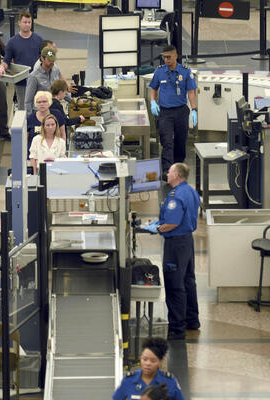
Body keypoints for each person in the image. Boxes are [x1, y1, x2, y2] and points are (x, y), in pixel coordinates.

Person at [143, 163, 200, 340]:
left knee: (175, 284)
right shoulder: (190, 191)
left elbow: (172, 223)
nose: (167, 174)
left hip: (176, 244)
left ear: (177, 174)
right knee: (189, 280)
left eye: (170, 171)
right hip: (187, 241)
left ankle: (177, 328)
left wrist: (156, 229)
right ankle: (192, 320)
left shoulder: (176, 196)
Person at [149, 45, 197, 179]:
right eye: (164, 57)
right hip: (165, 112)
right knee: (167, 141)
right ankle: (167, 171)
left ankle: (179, 167)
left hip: (181, 111)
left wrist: (194, 109)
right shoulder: (159, 71)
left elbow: (191, 93)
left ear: (175, 56)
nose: (166, 59)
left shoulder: (186, 72)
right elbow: (153, 88)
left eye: (168, 57)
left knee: (181, 141)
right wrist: (153, 101)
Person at [0, 11, 43, 110]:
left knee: (40, 108)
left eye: (29, 22)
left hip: (37, 82)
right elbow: (6, 60)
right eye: (25, 22)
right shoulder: (12, 42)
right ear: (19, 23)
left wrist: (52, 54)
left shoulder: (39, 39)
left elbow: (46, 55)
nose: (27, 24)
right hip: (21, 83)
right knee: (23, 109)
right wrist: (1, 68)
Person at [112, 338, 184, 400]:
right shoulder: (129, 380)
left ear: (160, 361)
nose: (147, 364)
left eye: (153, 361)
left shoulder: (170, 381)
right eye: (144, 359)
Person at [25, 46, 73, 113]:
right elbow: (28, 101)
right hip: (39, 112)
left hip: (54, 110)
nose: (52, 62)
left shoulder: (56, 70)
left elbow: (62, 89)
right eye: (49, 60)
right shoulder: (33, 77)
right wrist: (30, 119)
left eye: (53, 60)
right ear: (42, 58)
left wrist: (73, 102)